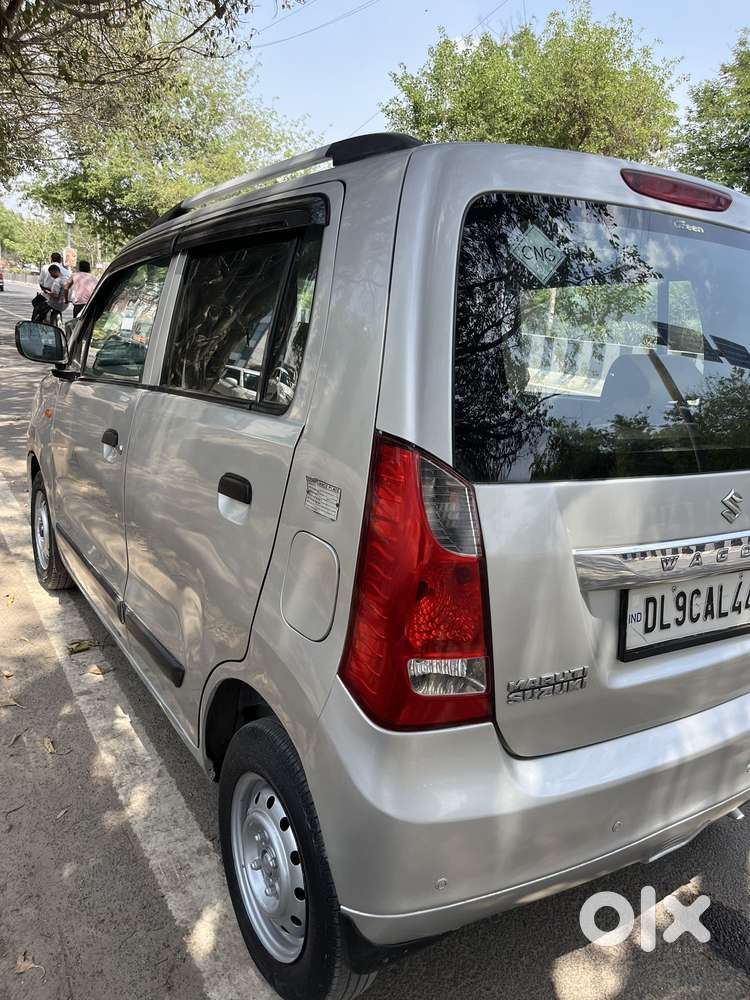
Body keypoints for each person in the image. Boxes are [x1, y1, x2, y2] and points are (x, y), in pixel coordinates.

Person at [32, 252, 70, 322]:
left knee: (35, 302)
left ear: (51, 259)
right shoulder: (67, 272)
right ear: (60, 260)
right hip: (62, 300)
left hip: (51, 297)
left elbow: (40, 282)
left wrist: (45, 290)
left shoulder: (46, 268)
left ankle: (35, 322)